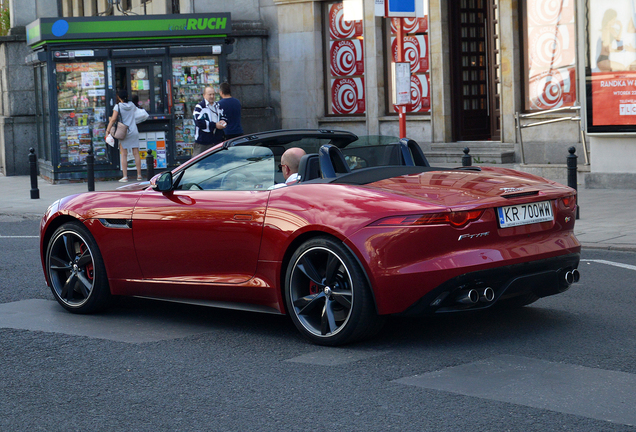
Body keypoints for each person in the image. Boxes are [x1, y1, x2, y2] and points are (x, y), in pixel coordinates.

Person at [106, 89, 142, 182]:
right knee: (136, 153)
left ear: (118, 97)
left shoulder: (118, 106)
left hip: (124, 132)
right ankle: (139, 175)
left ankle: (125, 177)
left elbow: (113, 119)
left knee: (124, 154)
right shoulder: (132, 105)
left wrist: (108, 130)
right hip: (134, 130)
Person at [192, 86, 225, 157]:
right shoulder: (200, 107)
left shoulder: (218, 106)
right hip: (202, 143)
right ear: (204, 95)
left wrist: (223, 122)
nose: (212, 96)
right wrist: (215, 125)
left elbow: (224, 117)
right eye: (209, 94)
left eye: (213, 94)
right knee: (198, 165)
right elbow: (199, 122)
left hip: (216, 141)